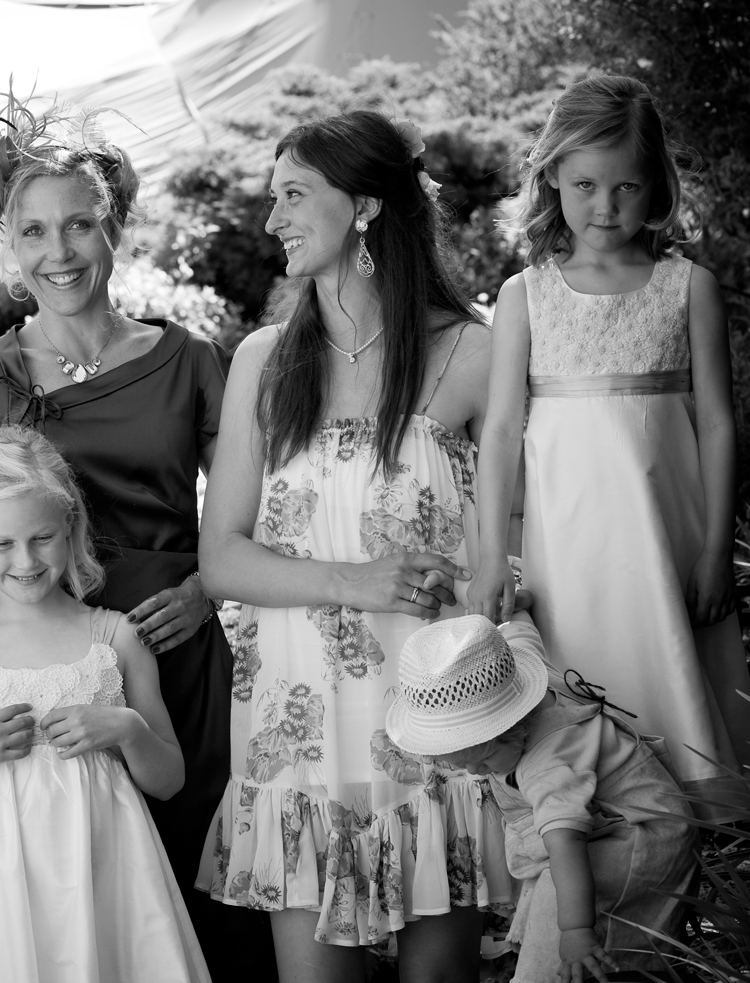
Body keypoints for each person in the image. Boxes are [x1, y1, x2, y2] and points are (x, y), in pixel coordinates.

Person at [194, 111, 523, 983]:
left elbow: (514, 542)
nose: (273, 220)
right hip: (297, 741)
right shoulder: (265, 361)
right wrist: (356, 580)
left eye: (294, 195)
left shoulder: (472, 353)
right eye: (273, 198)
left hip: (437, 730)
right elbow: (221, 559)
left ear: (367, 206)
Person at [0, 88, 250, 974]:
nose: (60, 252)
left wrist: (206, 589)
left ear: (114, 226)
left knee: (196, 893)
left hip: (173, 655)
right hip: (34, 664)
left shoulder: (191, 360)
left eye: (79, 225)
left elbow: (258, 507)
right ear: (10, 244)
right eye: (34, 232)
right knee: (57, 897)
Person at [467, 73, 750, 813]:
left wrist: (716, 551)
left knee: (678, 682)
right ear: (553, 177)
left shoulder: (688, 287)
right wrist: (492, 556)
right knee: (586, 692)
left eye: (626, 186)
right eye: (586, 185)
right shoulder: (526, 295)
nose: (605, 206)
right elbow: (500, 431)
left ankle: (695, 844)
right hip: (570, 551)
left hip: (669, 540)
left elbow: (718, 424)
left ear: (654, 184)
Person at [0, 425, 210, 981]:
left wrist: (127, 729)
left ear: (70, 525)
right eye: (2, 544)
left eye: (42, 537)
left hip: (107, 878)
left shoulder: (116, 637)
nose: (25, 560)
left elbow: (170, 780)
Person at [385, 612, 699, 983]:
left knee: (567, 955)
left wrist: (576, 930)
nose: (474, 772)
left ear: (513, 728)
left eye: (483, 760)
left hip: (632, 839)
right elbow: (520, 627)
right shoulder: (511, 672)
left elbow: (567, 845)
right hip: (610, 825)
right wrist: (516, 604)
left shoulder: (546, 765)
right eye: (462, 763)